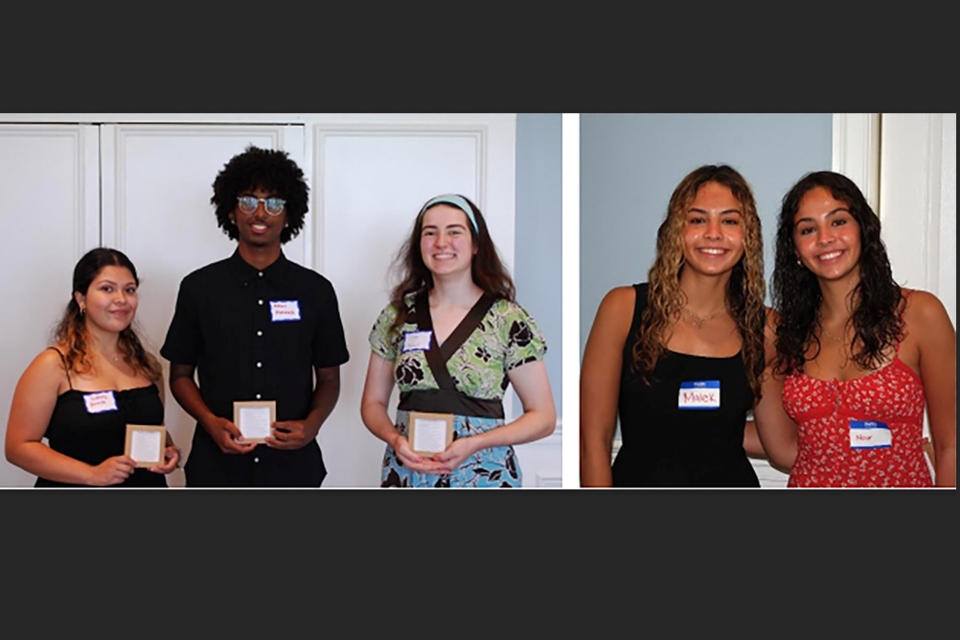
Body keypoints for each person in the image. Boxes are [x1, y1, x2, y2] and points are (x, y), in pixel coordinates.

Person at [580, 164, 793, 487]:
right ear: (676, 230)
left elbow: (780, 445)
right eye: (697, 219)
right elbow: (591, 442)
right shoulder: (622, 308)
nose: (713, 233)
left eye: (730, 221)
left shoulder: (766, 328)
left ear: (748, 235)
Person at [160, 145, 349, 487]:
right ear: (231, 211)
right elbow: (180, 376)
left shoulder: (316, 291)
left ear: (289, 215)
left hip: (294, 468)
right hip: (216, 467)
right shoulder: (198, 288)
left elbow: (330, 379)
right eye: (248, 201)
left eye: (273, 202)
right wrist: (208, 421)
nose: (260, 213)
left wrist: (313, 425)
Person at [771, 171, 955, 487]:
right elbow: (782, 443)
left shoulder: (920, 314)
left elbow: (951, 445)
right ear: (796, 251)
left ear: (863, 230)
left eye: (838, 221)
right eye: (808, 229)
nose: (825, 237)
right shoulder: (787, 333)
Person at [361, 194, 556, 487]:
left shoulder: (507, 319)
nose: (441, 242)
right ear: (419, 245)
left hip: (484, 473)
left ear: (476, 244)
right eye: (430, 233)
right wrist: (395, 440)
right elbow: (373, 403)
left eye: (454, 232)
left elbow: (543, 417)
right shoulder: (397, 316)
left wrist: (475, 443)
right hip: (410, 473)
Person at [6, 248, 179, 487]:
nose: (121, 299)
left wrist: (166, 449)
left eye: (129, 290)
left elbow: (154, 429)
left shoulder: (147, 364)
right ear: (81, 298)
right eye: (107, 289)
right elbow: (18, 447)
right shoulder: (53, 365)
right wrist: (92, 474)